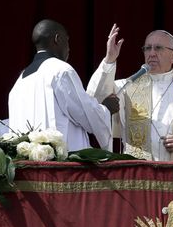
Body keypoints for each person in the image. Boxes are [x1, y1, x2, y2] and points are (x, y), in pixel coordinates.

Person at [87, 26, 173, 160]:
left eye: (158, 48)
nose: (152, 53)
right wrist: (109, 59)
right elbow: (94, 100)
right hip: (138, 172)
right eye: (147, 48)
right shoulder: (126, 86)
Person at [9, 19, 119, 151]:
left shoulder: (19, 81)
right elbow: (85, 113)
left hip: (29, 166)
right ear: (57, 39)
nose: (69, 48)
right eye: (67, 41)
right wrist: (106, 109)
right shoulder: (60, 70)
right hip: (61, 166)